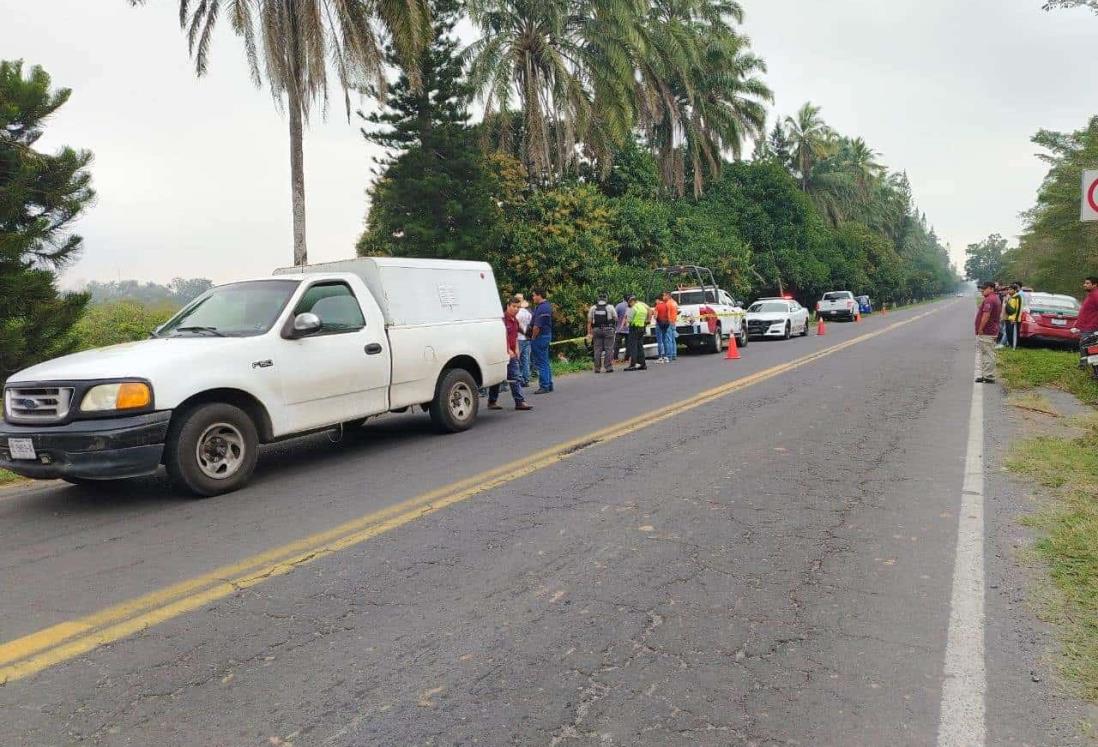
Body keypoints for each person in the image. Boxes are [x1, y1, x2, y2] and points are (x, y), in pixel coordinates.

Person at [488, 296, 533, 411]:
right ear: (508, 306)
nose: (516, 309)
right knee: (500, 377)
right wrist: (508, 350)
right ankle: (494, 401)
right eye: (514, 306)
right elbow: (502, 337)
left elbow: (515, 335)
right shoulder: (502, 320)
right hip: (502, 352)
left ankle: (519, 401)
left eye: (518, 307)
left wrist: (517, 348)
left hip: (512, 353)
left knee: (514, 376)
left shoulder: (515, 320)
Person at [975, 280, 1002, 384]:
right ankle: (986, 374)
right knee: (985, 353)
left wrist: (980, 328)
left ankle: (989, 376)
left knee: (988, 353)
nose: (982, 290)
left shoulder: (989, 300)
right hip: (991, 330)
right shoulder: (993, 298)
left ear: (991, 288)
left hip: (987, 331)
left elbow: (986, 315)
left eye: (984, 288)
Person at [530, 288, 554, 394]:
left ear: (540, 295)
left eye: (534, 295)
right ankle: (549, 384)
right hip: (546, 335)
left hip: (540, 337)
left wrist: (533, 337)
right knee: (545, 360)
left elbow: (536, 326)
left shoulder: (542, 308)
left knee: (541, 362)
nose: (533, 297)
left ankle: (544, 385)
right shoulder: (545, 306)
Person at [587, 292, 618, 373]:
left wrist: (589, 333)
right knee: (609, 349)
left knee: (597, 349)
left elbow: (589, 321)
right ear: (606, 299)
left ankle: (597, 368)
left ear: (598, 300)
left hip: (596, 330)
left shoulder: (593, 308)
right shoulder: (610, 307)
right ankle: (608, 367)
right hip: (608, 330)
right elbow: (616, 318)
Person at [1071, 276, 1098, 360]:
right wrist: (1077, 324)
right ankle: (1086, 363)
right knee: (1085, 345)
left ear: (1094, 285)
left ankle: (1086, 364)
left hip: (1091, 327)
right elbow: (1086, 312)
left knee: (1085, 345)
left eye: (1087, 283)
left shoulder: (1096, 295)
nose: (1084, 285)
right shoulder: (1090, 295)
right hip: (1085, 326)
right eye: (1085, 283)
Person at [624, 294, 652, 372]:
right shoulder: (642, 307)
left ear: (630, 301)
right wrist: (647, 321)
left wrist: (626, 323)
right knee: (640, 347)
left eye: (628, 302)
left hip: (634, 329)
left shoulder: (633, 308)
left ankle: (633, 365)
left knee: (633, 347)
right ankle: (643, 364)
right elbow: (649, 311)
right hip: (641, 328)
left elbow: (628, 321)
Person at [515, 294, 532, 387]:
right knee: (526, 360)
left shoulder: (516, 313)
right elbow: (531, 323)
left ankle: (519, 378)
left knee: (517, 360)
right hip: (527, 338)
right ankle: (526, 379)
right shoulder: (527, 312)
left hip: (518, 338)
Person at [998, 283, 1021, 350]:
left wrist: (1014, 319)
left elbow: (1018, 309)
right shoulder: (1011, 297)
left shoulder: (1017, 297)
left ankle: (1014, 347)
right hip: (1008, 318)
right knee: (1008, 333)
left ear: (1015, 290)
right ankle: (1010, 345)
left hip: (1013, 320)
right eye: (1008, 289)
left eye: (1010, 289)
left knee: (1013, 334)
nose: (1009, 291)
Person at [614, 295, 630, 367]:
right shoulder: (632, 306)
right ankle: (627, 358)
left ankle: (615, 358)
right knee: (628, 344)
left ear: (623, 298)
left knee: (617, 344)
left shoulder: (619, 305)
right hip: (629, 329)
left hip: (619, 329)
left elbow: (614, 316)